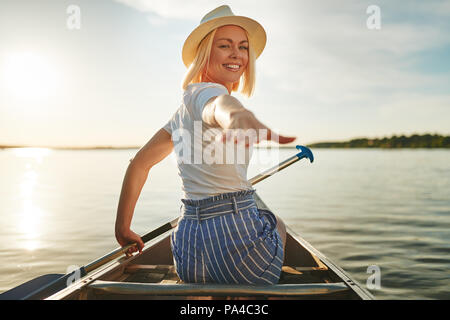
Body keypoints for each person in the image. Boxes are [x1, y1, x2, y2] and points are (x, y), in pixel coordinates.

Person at [115, 5, 296, 285]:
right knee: (277, 224)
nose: (236, 54)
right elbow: (219, 107)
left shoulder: (180, 112)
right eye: (224, 45)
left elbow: (139, 164)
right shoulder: (210, 94)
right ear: (205, 53)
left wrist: (123, 228)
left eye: (243, 47)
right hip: (238, 247)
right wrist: (239, 117)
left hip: (189, 253)